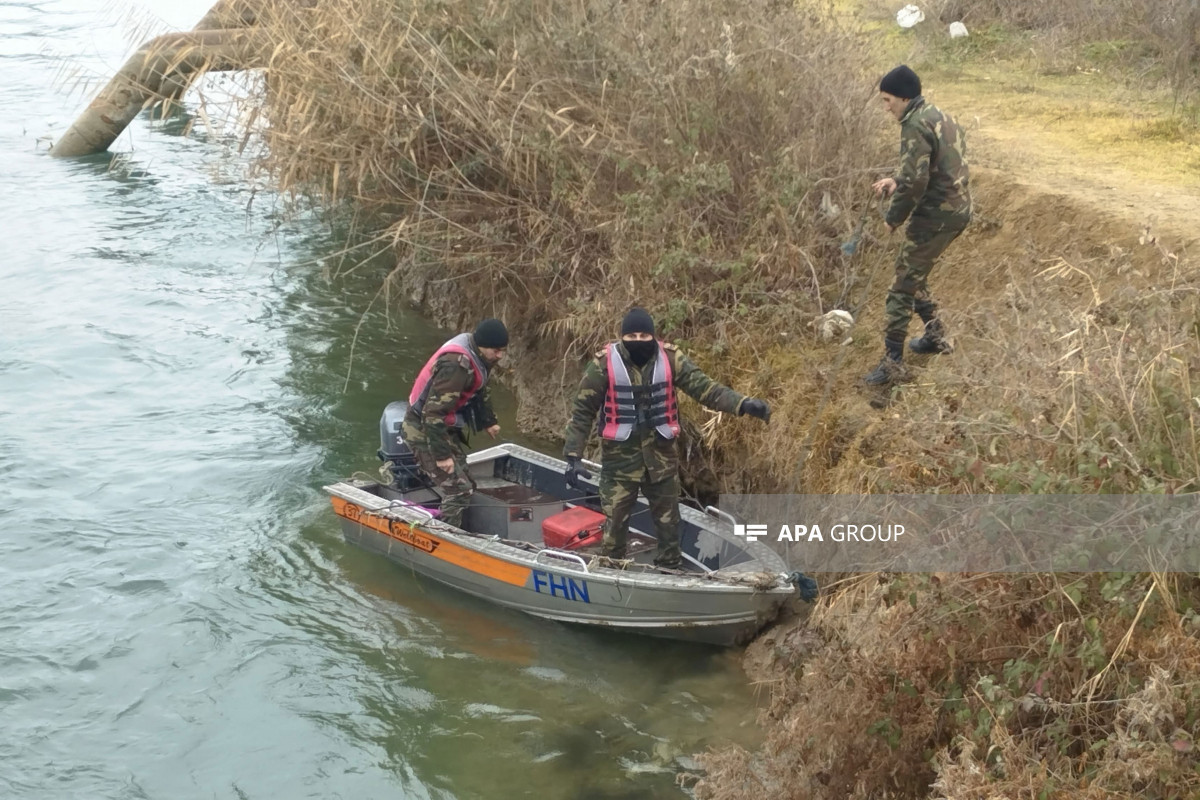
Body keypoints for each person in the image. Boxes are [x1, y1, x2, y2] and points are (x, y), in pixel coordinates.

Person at [562, 308, 771, 569]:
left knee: (669, 523)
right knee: (615, 523)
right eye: (632, 335)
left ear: (653, 335)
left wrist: (743, 404)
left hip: (661, 460)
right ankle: (610, 569)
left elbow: (705, 388)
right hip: (619, 464)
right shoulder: (602, 364)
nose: (639, 340)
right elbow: (582, 411)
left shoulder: (671, 359)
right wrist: (573, 456)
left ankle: (670, 568)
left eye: (644, 334)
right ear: (622, 337)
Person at [865, 64, 972, 386]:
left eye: (887, 101)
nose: (886, 109)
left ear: (903, 97)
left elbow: (915, 181)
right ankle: (936, 336)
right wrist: (895, 180)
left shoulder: (913, 124)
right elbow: (927, 168)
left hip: (935, 216)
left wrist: (892, 219)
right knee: (914, 274)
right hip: (957, 210)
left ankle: (892, 364)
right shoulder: (939, 115)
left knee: (900, 288)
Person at [402, 318, 508, 527]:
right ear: (483, 345)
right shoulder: (456, 365)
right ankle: (447, 536)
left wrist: (489, 421)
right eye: (496, 350)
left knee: (468, 483)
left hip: (442, 428)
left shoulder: (479, 356)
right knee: (459, 490)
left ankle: (458, 525)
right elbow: (432, 414)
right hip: (422, 430)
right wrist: (442, 457)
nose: (500, 355)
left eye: (502, 350)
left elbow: (480, 388)